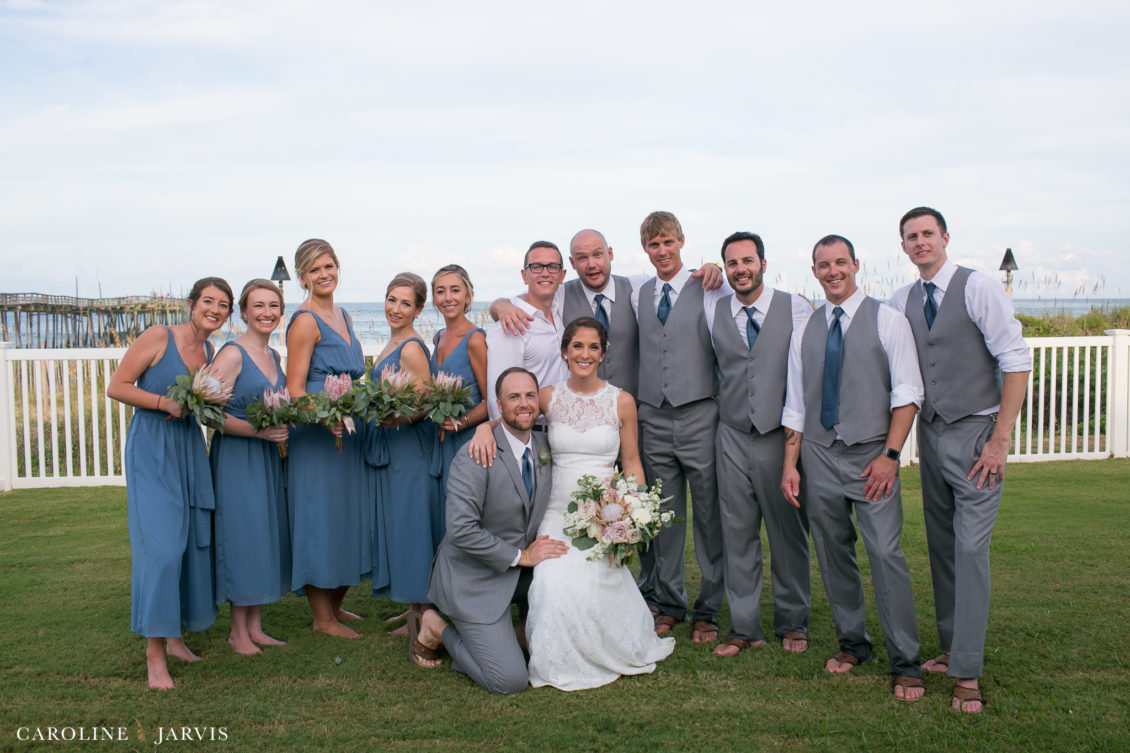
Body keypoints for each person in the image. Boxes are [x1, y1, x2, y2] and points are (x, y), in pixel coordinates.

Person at [891, 206, 1031, 713]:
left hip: (977, 434)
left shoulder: (978, 288)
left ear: (945, 237)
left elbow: (1015, 361)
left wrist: (999, 440)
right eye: (911, 236)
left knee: (971, 550)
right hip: (931, 434)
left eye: (928, 233)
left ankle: (967, 673)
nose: (921, 242)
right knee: (943, 546)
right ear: (903, 246)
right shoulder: (902, 298)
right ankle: (952, 648)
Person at [780, 235, 926, 702]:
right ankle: (853, 644)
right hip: (819, 455)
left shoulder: (887, 318)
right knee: (832, 551)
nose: (832, 271)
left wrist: (890, 455)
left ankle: (906, 661)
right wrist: (791, 464)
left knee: (885, 554)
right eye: (823, 265)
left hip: (871, 455)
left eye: (840, 262)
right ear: (815, 271)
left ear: (855, 265)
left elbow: (907, 393)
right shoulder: (805, 327)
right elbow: (797, 403)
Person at [524, 318, 675, 689]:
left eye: (593, 347)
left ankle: (609, 648)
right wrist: (483, 428)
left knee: (592, 585)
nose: (585, 354)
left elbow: (632, 462)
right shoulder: (548, 397)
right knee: (551, 582)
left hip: (604, 515)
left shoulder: (621, 401)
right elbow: (513, 419)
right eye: (577, 346)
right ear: (564, 351)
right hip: (557, 512)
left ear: (603, 354)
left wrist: (634, 514)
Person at [107, 276, 233, 690]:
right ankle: (154, 655)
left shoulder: (210, 351)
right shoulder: (160, 336)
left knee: (188, 541)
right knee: (161, 549)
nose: (214, 310)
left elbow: (204, 407)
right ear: (192, 303)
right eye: (208, 301)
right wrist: (165, 402)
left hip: (188, 447)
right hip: (152, 446)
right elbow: (117, 386)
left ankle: (176, 637)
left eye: (223, 305)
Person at [411, 368, 567, 694]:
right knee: (508, 680)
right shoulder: (475, 455)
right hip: (475, 578)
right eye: (513, 397)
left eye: (529, 395)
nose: (523, 404)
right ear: (498, 404)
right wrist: (521, 556)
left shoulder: (547, 446)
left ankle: (520, 631)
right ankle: (435, 628)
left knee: (572, 584)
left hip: (523, 574)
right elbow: (460, 530)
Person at [707, 232, 813, 657]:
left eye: (747, 261)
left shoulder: (797, 307)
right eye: (731, 263)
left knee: (787, 532)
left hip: (778, 434)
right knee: (737, 533)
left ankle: (793, 621)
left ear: (764, 264)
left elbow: (802, 380)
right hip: (730, 433)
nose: (740, 270)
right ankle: (744, 626)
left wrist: (795, 448)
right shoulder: (713, 309)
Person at [634, 211, 728, 643]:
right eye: (654, 245)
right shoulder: (640, 292)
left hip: (698, 415)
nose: (662, 251)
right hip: (652, 416)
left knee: (710, 516)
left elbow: (736, 295)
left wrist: (717, 269)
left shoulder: (706, 286)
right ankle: (669, 601)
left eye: (668, 242)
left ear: (682, 242)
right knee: (664, 518)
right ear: (645, 250)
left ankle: (709, 608)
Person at [491, 229, 723, 398]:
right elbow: (527, 299)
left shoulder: (637, 287)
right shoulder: (561, 294)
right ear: (572, 263)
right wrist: (500, 306)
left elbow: (675, 280)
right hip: (581, 416)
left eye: (597, 254)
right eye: (582, 258)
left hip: (633, 411)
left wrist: (714, 267)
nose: (591, 264)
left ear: (610, 254)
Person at [285, 239, 373, 639]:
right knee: (319, 517)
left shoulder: (343, 315)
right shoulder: (305, 321)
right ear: (303, 277)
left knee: (345, 516)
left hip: (349, 430)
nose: (324, 275)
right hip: (320, 434)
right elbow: (295, 389)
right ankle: (321, 619)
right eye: (314, 269)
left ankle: (336, 606)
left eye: (329, 266)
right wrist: (325, 419)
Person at [208, 279, 291, 655]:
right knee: (241, 537)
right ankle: (236, 632)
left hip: (267, 458)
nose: (267, 313)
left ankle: (255, 626)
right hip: (238, 457)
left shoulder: (273, 357)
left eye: (273, 305)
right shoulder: (232, 355)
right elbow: (208, 414)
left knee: (261, 535)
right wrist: (259, 433)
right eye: (258, 306)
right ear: (243, 312)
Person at [367, 273, 440, 647]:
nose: (395, 309)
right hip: (393, 446)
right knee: (401, 523)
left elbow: (427, 402)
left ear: (419, 309)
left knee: (413, 525)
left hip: (410, 446)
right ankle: (413, 603)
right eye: (391, 300)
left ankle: (423, 609)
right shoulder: (393, 341)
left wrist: (394, 419)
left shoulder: (411, 347)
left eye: (405, 303)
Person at [429, 264, 489, 537]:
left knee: (466, 516)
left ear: (468, 295)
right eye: (440, 291)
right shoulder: (438, 337)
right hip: (440, 443)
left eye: (455, 290)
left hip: (468, 442)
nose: (448, 297)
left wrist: (461, 423)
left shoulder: (475, 339)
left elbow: (492, 401)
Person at [484, 241, 568, 419]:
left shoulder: (559, 309)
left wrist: (499, 304)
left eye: (553, 267)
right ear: (524, 275)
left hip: (563, 429)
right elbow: (496, 395)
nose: (545, 273)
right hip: (530, 429)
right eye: (536, 267)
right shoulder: (512, 323)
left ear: (562, 275)